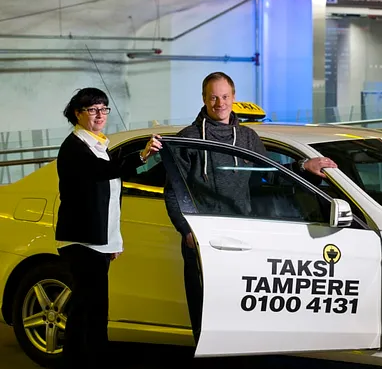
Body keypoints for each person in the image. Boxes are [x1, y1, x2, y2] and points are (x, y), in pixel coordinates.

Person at [163, 71, 337, 345]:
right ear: (204, 99)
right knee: (207, 318)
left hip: (243, 236)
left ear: (233, 98)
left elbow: (270, 174)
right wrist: (187, 231)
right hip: (204, 240)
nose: (219, 103)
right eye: (213, 97)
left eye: (224, 97)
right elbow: (174, 192)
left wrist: (304, 166)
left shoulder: (247, 137)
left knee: (238, 315)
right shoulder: (190, 138)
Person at [55, 87, 162, 368]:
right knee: (89, 308)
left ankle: (85, 358)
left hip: (98, 241)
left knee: (91, 307)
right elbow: (103, 173)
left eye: (103, 108)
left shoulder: (98, 146)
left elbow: (110, 197)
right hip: (82, 240)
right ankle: (85, 359)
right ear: (77, 114)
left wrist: (113, 242)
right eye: (92, 109)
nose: (100, 114)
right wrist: (141, 155)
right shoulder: (75, 147)